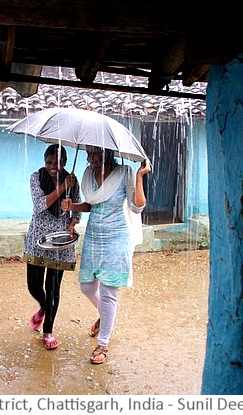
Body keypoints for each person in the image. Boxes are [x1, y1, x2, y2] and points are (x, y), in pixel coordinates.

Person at [61, 146, 151, 364]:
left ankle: (102, 345)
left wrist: (139, 176)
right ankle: (105, 316)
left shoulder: (125, 173)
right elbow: (91, 206)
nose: (89, 158)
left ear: (107, 154)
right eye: (88, 154)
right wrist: (73, 205)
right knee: (87, 287)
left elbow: (137, 206)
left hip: (117, 236)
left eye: (94, 154)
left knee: (110, 291)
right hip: (94, 235)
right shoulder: (88, 175)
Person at [24, 144, 81, 350]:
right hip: (38, 240)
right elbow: (40, 204)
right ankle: (43, 307)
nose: (52, 167)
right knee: (34, 285)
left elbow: (77, 210)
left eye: (57, 163)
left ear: (64, 162)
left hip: (61, 242)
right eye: (48, 162)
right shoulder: (36, 177)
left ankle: (48, 331)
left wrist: (72, 222)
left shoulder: (73, 181)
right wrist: (63, 187)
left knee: (54, 288)